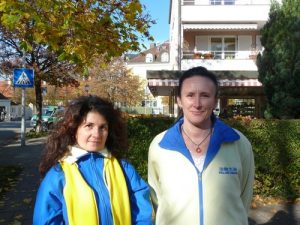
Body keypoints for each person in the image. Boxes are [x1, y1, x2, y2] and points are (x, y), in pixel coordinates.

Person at [148, 66, 255, 225]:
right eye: (190, 95)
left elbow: (244, 198)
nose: (197, 104)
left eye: (205, 95)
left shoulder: (238, 143)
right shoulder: (159, 145)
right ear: (179, 100)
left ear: (215, 100)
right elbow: (156, 198)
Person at [33, 95, 153, 225]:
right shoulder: (58, 174)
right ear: (74, 129)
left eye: (103, 127)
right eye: (89, 126)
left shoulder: (124, 168)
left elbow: (142, 211)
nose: (96, 134)